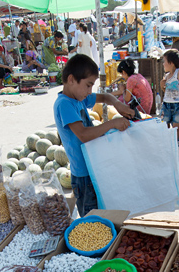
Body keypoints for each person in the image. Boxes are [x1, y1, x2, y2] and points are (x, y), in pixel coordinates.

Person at [53, 54, 133, 216]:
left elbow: (106, 97)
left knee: (101, 211)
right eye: (88, 85)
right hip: (83, 174)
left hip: (93, 166)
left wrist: (117, 104)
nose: (90, 91)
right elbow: (83, 134)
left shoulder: (79, 97)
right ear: (71, 79)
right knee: (91, 218)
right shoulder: (64, 104)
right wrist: (112, 123)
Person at [160, 49, 179, 135]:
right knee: (164, 126)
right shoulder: (167, 76)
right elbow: (167, 91)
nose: (163, 64)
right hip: (166, 103)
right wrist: (162, 86)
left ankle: (174, 144)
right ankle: (167, 143)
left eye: (164, 62)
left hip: (177, 104)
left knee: (175, 128)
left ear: (171, 63)